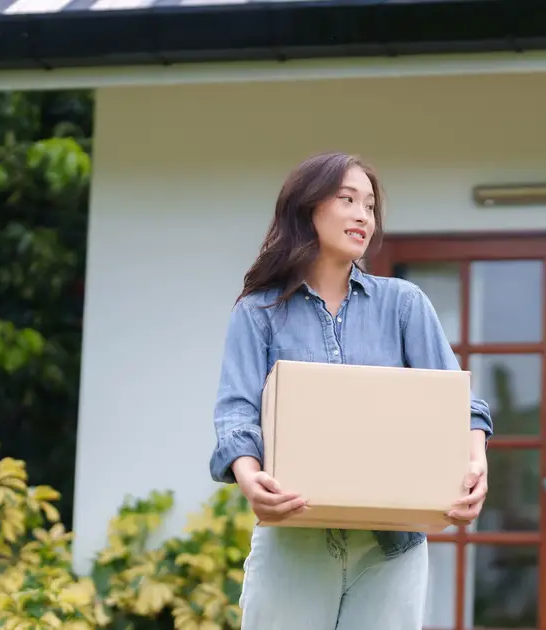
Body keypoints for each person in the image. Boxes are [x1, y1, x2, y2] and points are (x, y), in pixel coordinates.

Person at [208, 151, 494, 630]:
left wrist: (475, 464)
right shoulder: (258, 312)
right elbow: (237, 411)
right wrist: (249, 477)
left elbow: (459, 404)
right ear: (308, 208)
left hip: (391, 549)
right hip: (294, 540)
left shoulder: (403, 304)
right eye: (347, 200)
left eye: (370, 205)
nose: (363, 215)